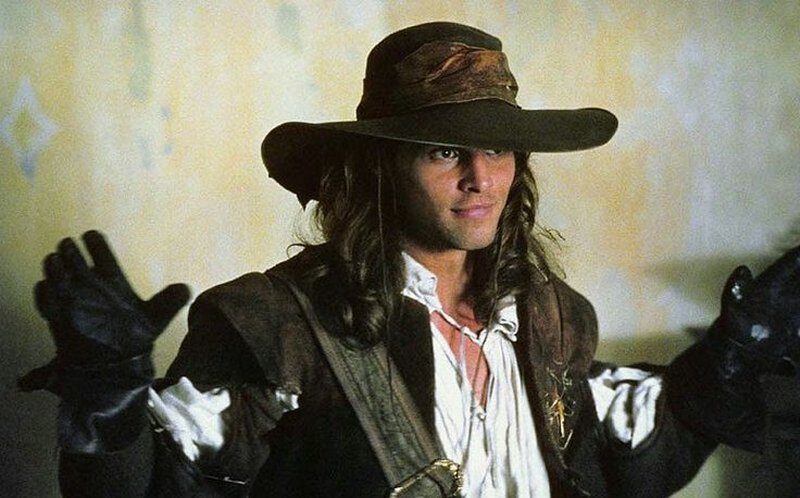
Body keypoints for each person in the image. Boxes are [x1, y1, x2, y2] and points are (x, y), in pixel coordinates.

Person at [19, 22, 800, 498]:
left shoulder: (553, 317)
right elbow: (154, 486)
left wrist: (733, 354)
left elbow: (635, 456)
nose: (481, 178)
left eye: (499, 148)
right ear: (379, 168)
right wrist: (107, 393)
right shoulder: (277, 324)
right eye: (443, 150)